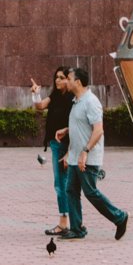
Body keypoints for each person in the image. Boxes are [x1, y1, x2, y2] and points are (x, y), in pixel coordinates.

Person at [62, 65, 128, 240]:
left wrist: (85, 151)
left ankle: (119, 217)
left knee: (91, 192)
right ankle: (77, 229)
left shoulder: (91, 102)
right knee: (71, 191)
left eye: (68, 79)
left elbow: (98, 130)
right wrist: (67, 131)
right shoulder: (77, 101)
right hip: (76, 157)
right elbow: (81, 126)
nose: (65, 82)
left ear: (78, 82)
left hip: (87, 158)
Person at [38, 66, 75, 238]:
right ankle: (70, 221)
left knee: (61, 184)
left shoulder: (72, 99)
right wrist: (35, 93)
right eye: (56, 77)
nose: (58, 80)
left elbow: (76, 126)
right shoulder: (54, 96)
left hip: (64, 145)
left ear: (69, 79)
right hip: (54, 144)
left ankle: (64, 223)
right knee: (62, 183)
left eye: (61, 77)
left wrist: (69, 152)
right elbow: (39, 106)